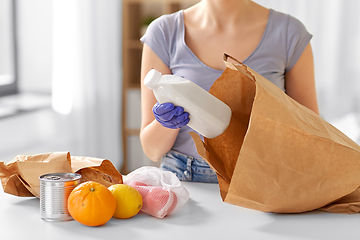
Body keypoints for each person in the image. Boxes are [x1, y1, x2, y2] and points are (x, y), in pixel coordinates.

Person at [139, 0, 319, 183]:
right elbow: (152, 150)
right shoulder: (163, 33)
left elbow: (312, 139)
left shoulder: (290, 33)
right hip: (183, 183)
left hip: (265, 183)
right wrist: (167, 123)